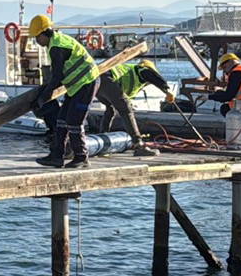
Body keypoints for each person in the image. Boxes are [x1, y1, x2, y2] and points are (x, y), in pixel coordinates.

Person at [30, 14, 99, 169]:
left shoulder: (57, 47)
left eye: (36, 37)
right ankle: (56, 156)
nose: (36, 41)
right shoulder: (56, 42)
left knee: (74, 121)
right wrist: (44, 95)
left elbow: (57, 77)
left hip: (87, 83)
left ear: (44, 33)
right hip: (76, 86)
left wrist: (42, 100)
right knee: (61, 120)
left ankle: (81, 157)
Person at [97, 59, 176, 157]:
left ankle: (101, 138)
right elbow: (152, 76)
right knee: (126, 109)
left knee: (111, 109)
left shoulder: (133, 74)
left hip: (98, 80)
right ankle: (139, 145)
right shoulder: (141, 70)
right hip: (107, 79)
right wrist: (167, 90)